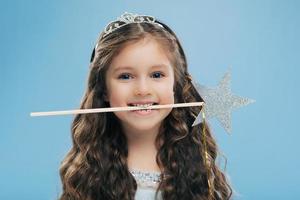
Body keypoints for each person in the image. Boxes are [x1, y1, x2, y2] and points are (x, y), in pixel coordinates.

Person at [59, 12, 233, 200]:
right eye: (125, 76)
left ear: (176, 85)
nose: (142, 90)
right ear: (104, 90)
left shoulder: (196, 163)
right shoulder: (90, 169)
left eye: (157, 75)